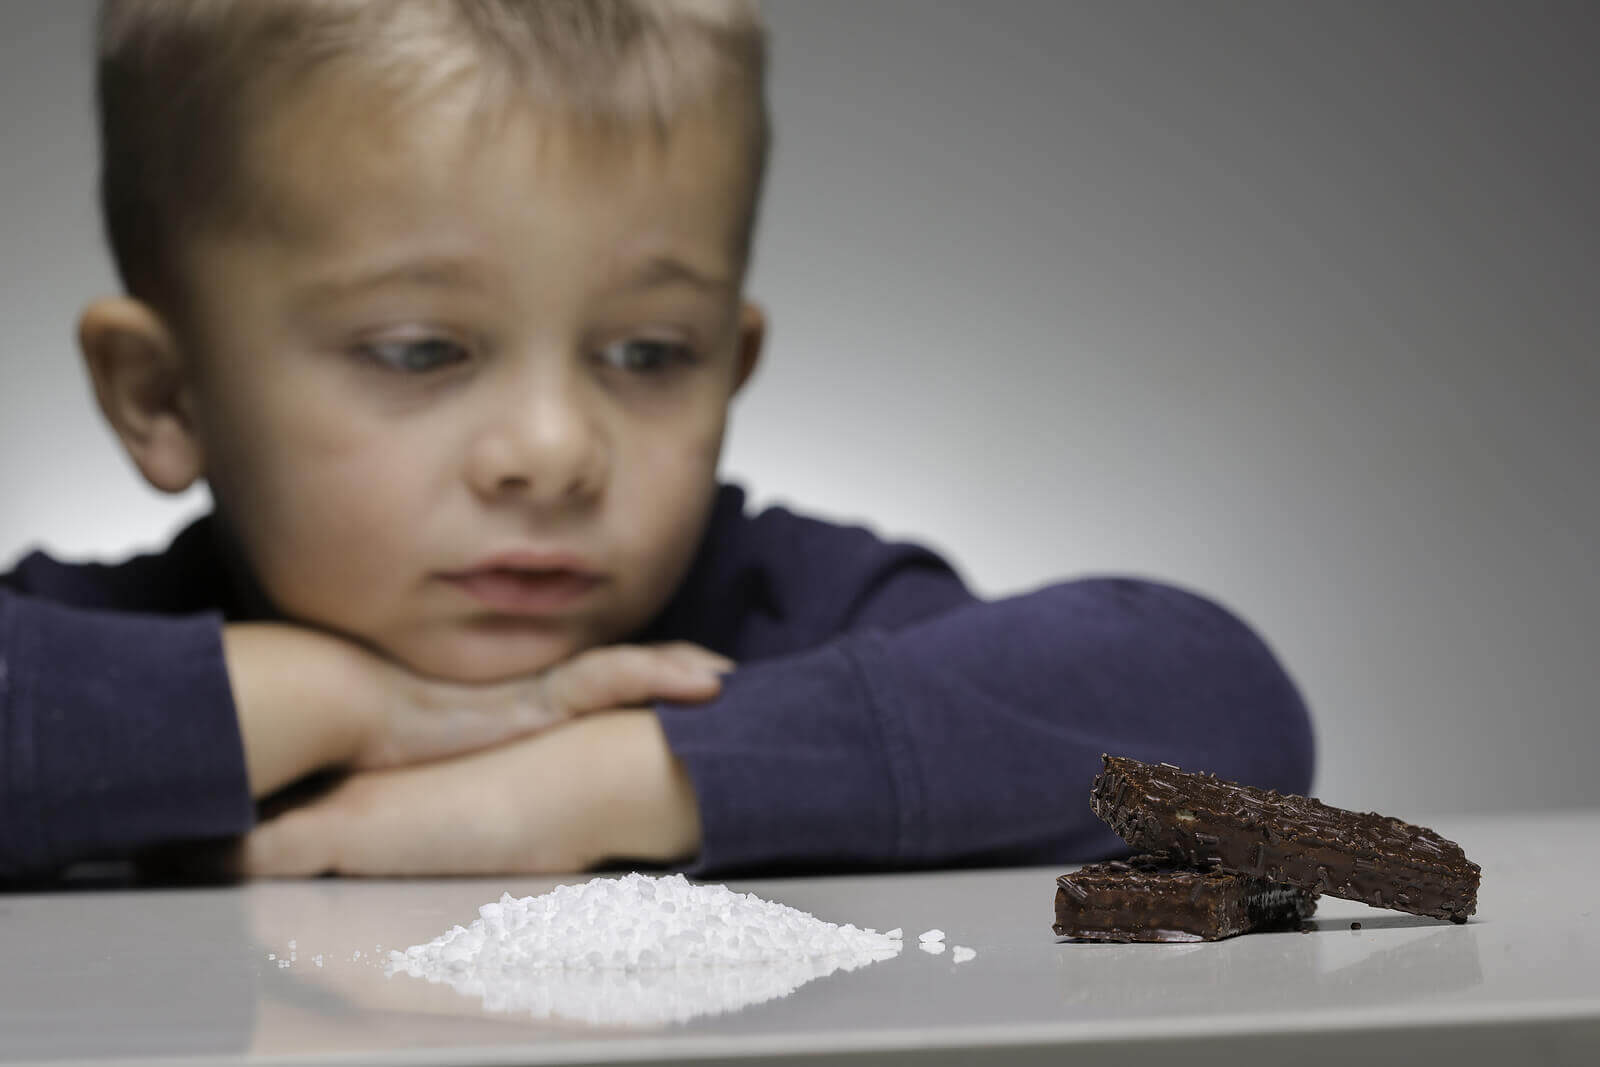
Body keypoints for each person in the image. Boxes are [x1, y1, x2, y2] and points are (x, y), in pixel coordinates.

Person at [0, 0, 1313, 882]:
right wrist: (339, 705)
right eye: (420, 350)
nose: (553, 450)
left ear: (731, 367)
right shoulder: (86, 653)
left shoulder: (784, 622)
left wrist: (588, 786)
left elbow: (1220, 705)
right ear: (161, 396)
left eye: (647, 355)